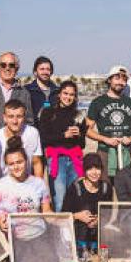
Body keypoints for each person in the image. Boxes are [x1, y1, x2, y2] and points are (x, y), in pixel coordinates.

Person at [86, 65, 131, 177]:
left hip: (128, 152)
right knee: (105, 188)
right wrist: (105, 139)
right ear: (109, 80)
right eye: (117, 78)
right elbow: (87, 130)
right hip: (105, 152)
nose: (121, 82)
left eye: (124, 79)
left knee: (128, 189)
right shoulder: (97, 102)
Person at [38, 80, 86, 211]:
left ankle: (73, 229)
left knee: (75, 199)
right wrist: (63, 136)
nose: (68, 97)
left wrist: (79, 135)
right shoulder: (48, 112)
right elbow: (43, 139)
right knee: (59, 200)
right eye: (65, 93)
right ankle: (61, 230)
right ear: (59, 94)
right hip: (56, 159)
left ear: (75, 97)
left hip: (75, 160)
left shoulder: (79, 115)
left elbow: (82, 144)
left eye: (71, 95)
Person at [61, 153, 113, 255]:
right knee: (85, 210)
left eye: (97, 168)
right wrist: (78, 216)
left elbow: (108, 212)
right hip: (78, 229)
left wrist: (99, 219)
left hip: (98, 230)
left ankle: (96, 249)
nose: (94, 172)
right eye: (90, 169)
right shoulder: (75, 188)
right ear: (84, 170)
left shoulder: (106, 188)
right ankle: (81, 250)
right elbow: (64, 214)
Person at [0, 99, 44, 179]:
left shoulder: (32, 133)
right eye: (11, 116)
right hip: (1, 184)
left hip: (25, 183)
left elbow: (36, 162)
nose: (15, 121)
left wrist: (39, 187)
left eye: (19, 116)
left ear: (24, 117)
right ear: (4, 118)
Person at [25, 56, 60, 122]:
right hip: (34, 130)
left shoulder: (57, 91)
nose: (45, 72)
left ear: (51, 72)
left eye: (48, 69)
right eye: (42, 69)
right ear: (35, 72)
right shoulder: (27, 90)